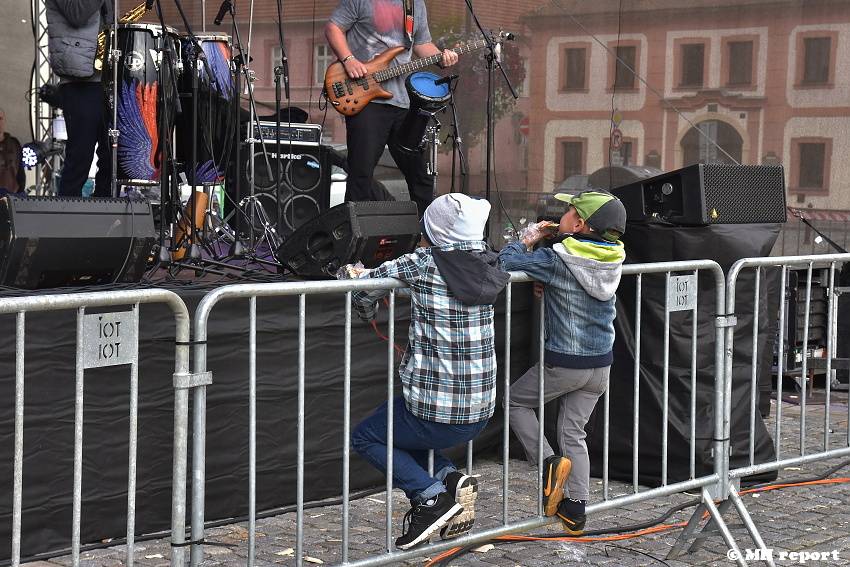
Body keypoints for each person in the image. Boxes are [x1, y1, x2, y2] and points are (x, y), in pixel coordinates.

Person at [346, 193, 509, 549]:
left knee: (367, 437)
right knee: (400, 426)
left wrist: (354, 282)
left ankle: (431, 498)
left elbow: (365, 288)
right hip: (480, 410)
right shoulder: (490, 263)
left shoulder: (423, 263)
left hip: (436, 409)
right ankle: (450, 479)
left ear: (433, 233)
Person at [498, 190, 627, 534]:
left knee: (515, 402)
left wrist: (529, 238)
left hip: (566, 361)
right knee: (574, 432)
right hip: (601, 366)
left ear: (580, 223)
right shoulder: (613, 256)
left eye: (569, 211)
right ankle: (576, 508)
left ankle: (547, 465)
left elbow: (504, 262)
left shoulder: (556, 258)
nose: (562, 215)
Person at [324, 0, 458, 216]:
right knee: (361, 175)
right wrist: (349, 60)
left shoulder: (415, 5)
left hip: (404, 103)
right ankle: (356, 242)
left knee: (421, 176)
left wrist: (442, 57)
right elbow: (333, 27)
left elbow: (422, 44)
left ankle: (424, 238)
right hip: (368, 102)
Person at [45, 0, 113, 197]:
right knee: (81, 155)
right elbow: (77, 13)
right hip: (79, 78)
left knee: (111, 153)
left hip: (105, 76)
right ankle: (66, 216)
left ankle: (106, 211)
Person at [0, 109, 26, 193]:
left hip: (11, 197)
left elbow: (20, 172)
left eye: (0, 119)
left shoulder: (14, 143)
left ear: (4, 120)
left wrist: (19, 193)